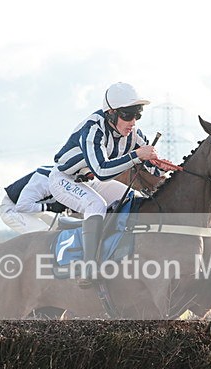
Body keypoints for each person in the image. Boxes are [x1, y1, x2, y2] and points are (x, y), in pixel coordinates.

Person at [48, 82, 173, 284]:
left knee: (133, 199)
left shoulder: (134, 134)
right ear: (112, 113)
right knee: (95, 205)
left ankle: (120, 253)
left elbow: (149, 165)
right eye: (127, 115)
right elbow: (102, 171)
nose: (133, 122)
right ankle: (88, 267)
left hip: (90, 181)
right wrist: (137, 155)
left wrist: (163, 167)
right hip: (64, 180)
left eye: (137, 115)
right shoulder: (92, 129)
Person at [0, 166, 67, 234]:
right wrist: (50, 207)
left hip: (32, 209)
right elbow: (22, 206)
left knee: (64, 225)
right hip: (13, 209)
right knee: (45, 233)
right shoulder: (45, 179)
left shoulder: (62, 175)